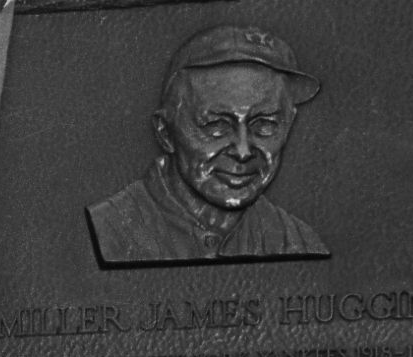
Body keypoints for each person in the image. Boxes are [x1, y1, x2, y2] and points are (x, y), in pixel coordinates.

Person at [86, 28, 328, 266]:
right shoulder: (105, 233)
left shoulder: (297, 242)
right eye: (216, 125)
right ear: (165, 133)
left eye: (264, 125)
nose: (243, 152)